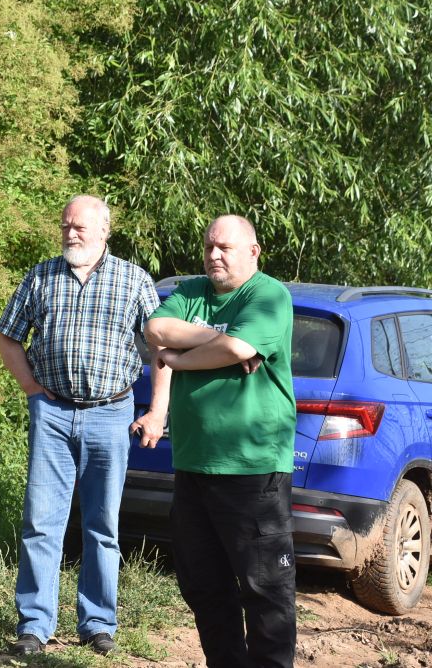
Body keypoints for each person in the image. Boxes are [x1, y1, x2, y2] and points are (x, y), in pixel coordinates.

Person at [0, 195, 170, 656]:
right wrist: (32, 388)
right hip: (52, 413)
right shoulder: (41, 276)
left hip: (111, 412)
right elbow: (8, 337)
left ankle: (97, 623)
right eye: (66, 225)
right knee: (41, 521)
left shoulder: (133, 280)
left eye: (80, 227)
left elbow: (162, 353)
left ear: (104, 231)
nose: (71, 233)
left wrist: (158, 411)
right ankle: (34, 624)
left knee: (102, 524)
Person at [144, 215, 296, 667]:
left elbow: (236, 351)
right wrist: (221, 340)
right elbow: (155, 330)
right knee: (203, 584)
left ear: (253, 251)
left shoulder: (269, 294)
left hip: (253, 469)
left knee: (265, 589)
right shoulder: (191, 292)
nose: (214, 255)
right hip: (193, 465)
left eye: (225, 248)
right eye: (210, 246)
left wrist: (179, 357)